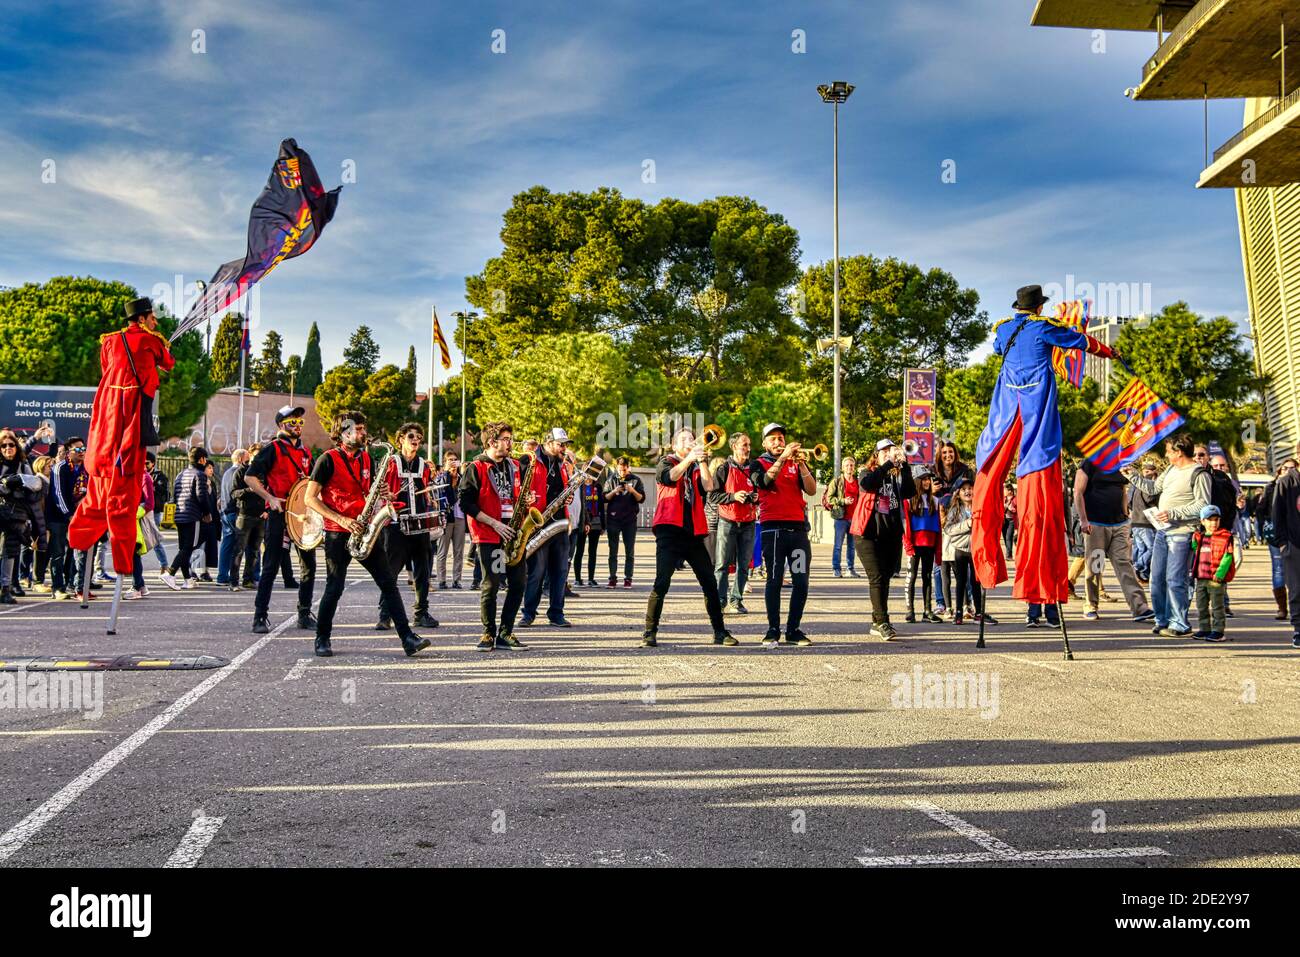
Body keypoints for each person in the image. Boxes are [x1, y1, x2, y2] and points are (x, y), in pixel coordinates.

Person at [303, 412, 430, 658]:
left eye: (363, 428)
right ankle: (322, 638)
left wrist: (384, 492)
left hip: (366, 529)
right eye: (359, 429)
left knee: (388, 583)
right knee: (334, 588)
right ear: (344, 432)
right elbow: (309, 498)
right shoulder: (327, 460)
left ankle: (407, 638)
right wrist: (340, 518)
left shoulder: (367, 458)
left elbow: (370, 489)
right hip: (338, 533)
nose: (364, 433)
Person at [641, 428, 734, 648]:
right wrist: (690, 459)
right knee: (662, 582)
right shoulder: (666, 462)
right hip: (669, 531)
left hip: (693, 533)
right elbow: (670, 478)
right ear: (674, 445)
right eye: (685, 440)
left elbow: (709, 486)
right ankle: (649, 632)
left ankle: (719, 632)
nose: (690, 442)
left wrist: (701, 461)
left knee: (709, 582)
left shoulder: (695, 466)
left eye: (692, 439)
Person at [1123, 433, 1211, 638]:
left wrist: (1173, 513)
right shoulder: (1171, 469)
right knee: (1156, 578)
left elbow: (1203, 504)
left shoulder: (1199, 474)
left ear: (1179, 452)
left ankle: (1179, 623)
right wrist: (1132, 475)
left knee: (1175, 579)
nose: (1166, 454)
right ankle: (1162, 619)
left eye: (1168, 451)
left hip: (1182, 532)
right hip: (1162, 531)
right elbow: (1153, 488)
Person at [243, 406, 318, 634]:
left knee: (309, 566)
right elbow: (249, 477)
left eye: (299, 422)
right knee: (270, 566)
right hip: (279, 514)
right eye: (291, 421)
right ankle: (260, 616)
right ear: (280, 425)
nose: (296, 425)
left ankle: (304, 613)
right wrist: (269, 497)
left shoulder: (306, 453)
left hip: (302, 516)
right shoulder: (272, 449)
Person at [459, 421, 531, 651]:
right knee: (492, 583)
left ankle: (506, 632)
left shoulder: (515, 466)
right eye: (507, 439)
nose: (511, 443)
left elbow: (515, 495)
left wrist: (527, 502)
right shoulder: (476, 467)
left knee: (519, 583)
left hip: (514, 533)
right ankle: (488, 633)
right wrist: (494, 524)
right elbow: (466, 503)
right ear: (492, 441)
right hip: (491, 534)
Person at [749, 423, 816, 646]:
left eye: (781, 438)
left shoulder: (795, 464)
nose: (779, 442)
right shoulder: (757, 463)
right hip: (773, 530)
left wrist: (802, 464)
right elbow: (763, 483)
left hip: (797, 529)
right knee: (774, 580)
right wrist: (782, 459)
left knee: (801, 581)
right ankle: (773, 628)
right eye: (773, 439)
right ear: (764, 443)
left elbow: (812, 489)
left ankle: (793, 629)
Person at [1072, 454, 1153, 623]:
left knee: (1125, 565)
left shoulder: (1120, 464)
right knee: (1095, 567)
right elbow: (1078, 492)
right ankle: (1091, 606)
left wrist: (1126, 515)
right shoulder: (1089, 463)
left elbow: (1123, 491)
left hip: (1119, 524)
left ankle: (1140, 608)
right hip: (1095, 525)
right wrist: (1083, 520)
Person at [374, 422, 439, 631]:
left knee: (423, 571)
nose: (416, 439)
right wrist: (388, 495)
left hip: (419, 524)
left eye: (419, 436)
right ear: (401, 439)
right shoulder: (390, 462)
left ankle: (421, 613)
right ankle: (385, 615)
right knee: (390, 572)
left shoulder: (423, 465)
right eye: (411, 436)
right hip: (395, 525)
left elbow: (426, 490)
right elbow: (378, 488)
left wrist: (432, 498)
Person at [851, 439, 917, 638]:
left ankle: (876, 618)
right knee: (877, 577)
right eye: (884, 452)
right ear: (876, 455)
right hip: (867, 534)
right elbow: (867, 485)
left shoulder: (896, 475)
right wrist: (888, 463)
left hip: (891, 533)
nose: (889, 454)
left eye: (891, 451)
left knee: (886, 577)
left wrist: (904, 466)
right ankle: (882, 621)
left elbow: (909, 492)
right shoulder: (866, 472)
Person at [519, 428, 574, 629]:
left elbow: (563, 490)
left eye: (566, 444)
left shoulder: (562, 464)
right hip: (538, 522)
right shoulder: (529, 460)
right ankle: (528, 613)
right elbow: (519, 489)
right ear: (549, 442)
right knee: (537, 571)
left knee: (560, 571)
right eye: (561, 444)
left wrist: (569, 497)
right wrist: (526, 500)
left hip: (559, 523)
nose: (564, 448)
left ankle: (556, 613)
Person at [710, 431, 757, 615]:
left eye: (749, 445)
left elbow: (762, 491)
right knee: (722, 565)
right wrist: (733, 496)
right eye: (744, 445)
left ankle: (736, 600)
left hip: (749, 522)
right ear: (734, 446)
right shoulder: (723, 469)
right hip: (727, 521)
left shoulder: (754, 468)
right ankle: (720, 601)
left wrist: (755, 497)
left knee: (744, 565)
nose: (748, 449)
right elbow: (713, 495)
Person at [942, 479, 998, 625]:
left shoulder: (979, 507)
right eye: (963, 489)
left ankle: (978, 612)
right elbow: (948, 529)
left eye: (970, 488)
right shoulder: (956, 510)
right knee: (961, 582)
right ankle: (958, 612)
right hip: (960, 550)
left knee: (975, 581)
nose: (967, 491)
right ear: (958, 493)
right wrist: (967, 524)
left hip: (976, 549)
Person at [931, 442, 974, 615]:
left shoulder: (964, 470)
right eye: (944, 452)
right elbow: (922, 490)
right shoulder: (933, 471)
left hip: (959, 518)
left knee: (963, 565)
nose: (948, 455)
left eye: (950, 452)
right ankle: (941, 602)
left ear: (955, 453)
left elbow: (972, 489)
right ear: (939, 455)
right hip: (937, 519)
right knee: (939, 565)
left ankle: (966, 603)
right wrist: (932, 491)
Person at [0, 430, 41, 604]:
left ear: (16, 446)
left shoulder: (23, 465)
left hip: (15, 515)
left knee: (9, 553)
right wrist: (5, 485)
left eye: (11, 445)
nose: (8, 448)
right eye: (3, 445)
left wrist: (20, 481)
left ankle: (5, 588)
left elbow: (36, 483)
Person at [160, 447, 209, 590]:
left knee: (183, 548)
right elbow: (201, 496)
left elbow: (174, 496)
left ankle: (188, 579)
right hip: (192, 515)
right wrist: (207, 513)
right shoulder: (200, 475)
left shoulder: (181, 474)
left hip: (179, 515)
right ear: (201, 460)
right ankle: (170, 573)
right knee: (189, 547)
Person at [1190, 504, 1239, 642]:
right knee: (1201, 605)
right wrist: (1194, 541)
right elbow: (1196, 551)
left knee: (1217, 606)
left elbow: (1228, 556)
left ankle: (1218, 630)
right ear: (1202, 521)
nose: (1213, 523)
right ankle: (1204, 628)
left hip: (1216, 579)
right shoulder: (1200, 536)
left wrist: (1220, 574)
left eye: (1216, 519)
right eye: (1209, 520)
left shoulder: (1225, 537)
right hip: (1201, 577)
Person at [47, 436, 87, 600]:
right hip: (58, 517)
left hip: (78, 516)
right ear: (68, 452)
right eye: (77, 449)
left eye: (83, 449)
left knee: (74, 552)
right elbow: (58, 495)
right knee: (58, 553)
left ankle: (72, 584)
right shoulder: (60, 468)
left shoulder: (86, 469)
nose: (81, 452)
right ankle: (57, 587)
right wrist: (69, 515)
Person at [1269, 445, 1300, 648]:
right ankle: (1298, 628)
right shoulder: (1286, 482)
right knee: (1297, 589)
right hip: (1293, 543)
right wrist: (1282, 543)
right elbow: (1276, 513)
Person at [903, 469, 942, 623]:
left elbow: (938, 527)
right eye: (923, 479)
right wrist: (908, 546)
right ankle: (910, 610)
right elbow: (906, 525)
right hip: (915, 545)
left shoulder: (935, 501)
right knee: (911, 576)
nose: (927, 482)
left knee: (927, 577)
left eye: (928, 479)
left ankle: (927, 610)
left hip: (930, 545)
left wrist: (938, 550)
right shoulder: (908, 501)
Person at [1261, 459, 1297, 621]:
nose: (1289, 471)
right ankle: (1282, 608)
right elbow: (1262, 509)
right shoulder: (1272, 487)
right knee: (1278, 569)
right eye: (1285, 468)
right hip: (1278, 535)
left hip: (1294, 535)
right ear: (1279, 470)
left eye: (1292, 468)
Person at [603, 456, 643, 587]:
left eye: (624, 470)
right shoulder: (611, 479)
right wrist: (614, 491)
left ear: (628, 467)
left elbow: (641, 498)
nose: (622, 473)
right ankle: (612, 578)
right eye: (619, 470)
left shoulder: (636, 480)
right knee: (612, 551)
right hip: (613, 519)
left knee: (629, 551)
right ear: (616, 468)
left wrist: (632, 490)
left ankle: (628, 578)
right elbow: (605, 498)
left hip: (630, 520)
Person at [228, 448, 263, 592]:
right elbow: (234, 493)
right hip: (244, 516)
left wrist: (266, 510)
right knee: (239, 550)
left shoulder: (264, 473)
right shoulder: (242, 472)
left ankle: (248, 580)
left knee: (254, 551)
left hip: (260, 517)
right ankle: (233, 582)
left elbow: (270, 492)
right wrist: (249, 490)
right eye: (255, 457)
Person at [216, 449, 249, 585]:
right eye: (247, 458)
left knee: (227, 544)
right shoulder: (239, 473)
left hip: (225, 512)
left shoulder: (226, 473)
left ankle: (222, 576)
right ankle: (248, 576)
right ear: (241, 459)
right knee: (243, 545)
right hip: (235, 512)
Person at [434, 450, 467, 589]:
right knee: (442, 550)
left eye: (455, 459)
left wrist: (459, 477)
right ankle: (441, 580)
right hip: (446, 517)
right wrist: (448, 475)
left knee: (458, 551)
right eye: (450, 460)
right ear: (445, 462)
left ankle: (457, 580)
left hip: (459, 517)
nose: (453, 462)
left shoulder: (462, 477)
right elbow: (442, 493)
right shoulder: (441, 477)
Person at [825, 455, 861, 578]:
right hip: (841, 518)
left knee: (852, 547)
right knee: (838, 545)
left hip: (855, 518)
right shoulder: (837, 481)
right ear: (842, 468)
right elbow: (829, 499)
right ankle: (836, 568)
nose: (849, 467)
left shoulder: (858, 481)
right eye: (847, 465)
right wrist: (843, 501)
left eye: (851, 465)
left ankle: (850, 569)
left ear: (854, 467)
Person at [1128, 460, 1160, 584]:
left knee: (1141, 549)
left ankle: (1141, 575)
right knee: (1152, 548)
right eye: (1147, 470)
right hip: (1145, 522)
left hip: (1136, 521)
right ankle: (1138, 567)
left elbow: (1129, 501)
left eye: (1150, 470)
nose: (1149, 472)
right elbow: (1149, 498)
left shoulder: (1134, 485)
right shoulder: (1149, 484)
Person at [572, 469, 604, 586]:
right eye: (588, 472)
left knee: (592, 552)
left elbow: (601, 506)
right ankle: (577, 578)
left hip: (595, 522)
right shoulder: (579, 486)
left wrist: (603, 525)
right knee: (579, 551)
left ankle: (591, 578)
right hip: (583, 522)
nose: (590, 475)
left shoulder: (598, 486)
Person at [146, 452, 170, 570]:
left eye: (147, 463)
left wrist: (150, 483)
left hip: (154, 511)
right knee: (136, 540)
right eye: (142, 463)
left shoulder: (159, 476)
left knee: (155, 539)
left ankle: (164, 565)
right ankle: (133, 567)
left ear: (153, 464)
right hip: (139, 510)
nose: (144, 466)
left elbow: (162, 490)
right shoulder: (139, 474)